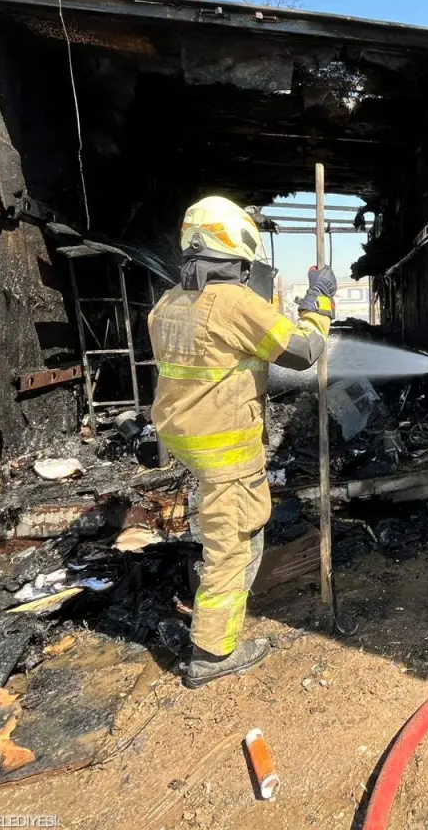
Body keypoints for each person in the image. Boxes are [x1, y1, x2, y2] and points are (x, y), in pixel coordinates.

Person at [149, 196, 337, 688]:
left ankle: (217, 607)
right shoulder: (233, 303)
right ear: (237, 248)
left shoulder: (168, 303)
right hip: (226, 448)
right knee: (233, 545)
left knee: (234, 529)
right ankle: (213, 653)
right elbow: (303, 350)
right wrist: (319, 303)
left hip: (189, 438)